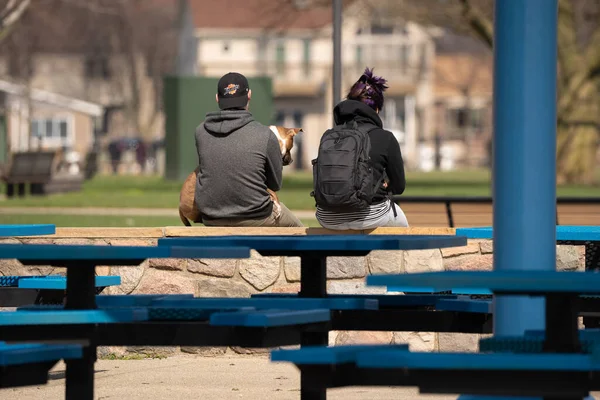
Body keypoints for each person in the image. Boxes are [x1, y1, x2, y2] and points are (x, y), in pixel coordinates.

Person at [194, 72, 303, 227]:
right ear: (249, 95)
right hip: (256, 216)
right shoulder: (265, 135)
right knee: (298, 229)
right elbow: (275, 185)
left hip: (211, 217)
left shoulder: (200, 132)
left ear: (217, 98)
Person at [314, 67, 408, 230]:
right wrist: (384, 184)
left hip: (326, 216)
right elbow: (399, 187)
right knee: (403, 224)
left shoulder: (329, 136)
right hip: (370, 215)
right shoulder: (385, 138)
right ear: (377, 109)